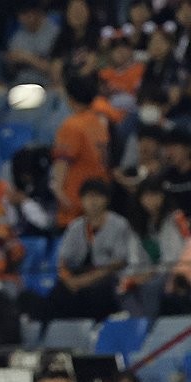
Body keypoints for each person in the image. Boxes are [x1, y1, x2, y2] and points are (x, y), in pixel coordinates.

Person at [52, 179, 142, 321]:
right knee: (59, 291)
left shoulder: (119, 224)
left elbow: (119, 262)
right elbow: (63, 260)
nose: (92, 202)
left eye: (97, 196)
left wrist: (85, 280)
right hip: (80, 273)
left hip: (109, 276)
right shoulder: (75, 226)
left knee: (99, 291)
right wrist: (69, 280)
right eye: (88, 197)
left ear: (106, 200)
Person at [52, 73, 110, 229]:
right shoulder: (99, 123)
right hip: (98, 202)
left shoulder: (71, 126)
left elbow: (62, 163)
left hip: (75, 205)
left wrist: (59, 192)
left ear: (70, 98)